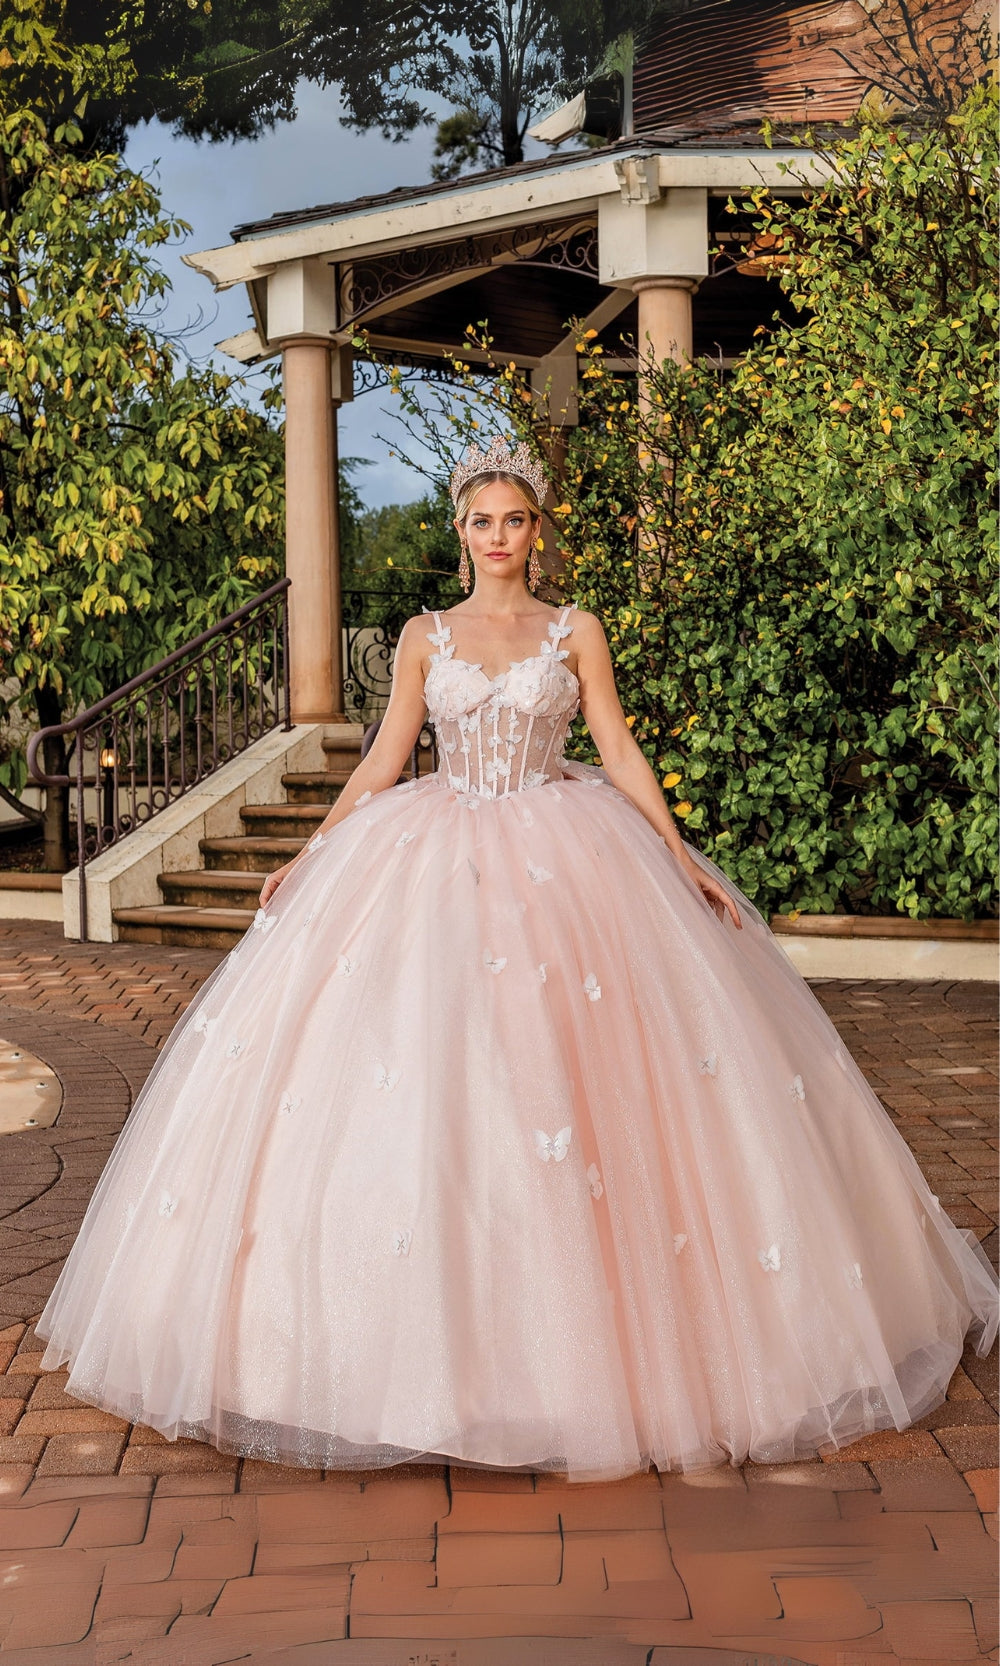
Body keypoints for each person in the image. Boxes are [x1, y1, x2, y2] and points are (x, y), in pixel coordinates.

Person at [36, 437, 998, 1485]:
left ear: (537, 529)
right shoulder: (425, 636)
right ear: (460, 532)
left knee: (568, 1079)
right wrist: (312, 854)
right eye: (481, 521)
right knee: (430, 1080)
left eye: (515, 519)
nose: (498, 537)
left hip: (566, 856)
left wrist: (678, 856)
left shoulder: (574, 630)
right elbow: (386, 756)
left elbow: (616, 747)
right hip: (432, 860)